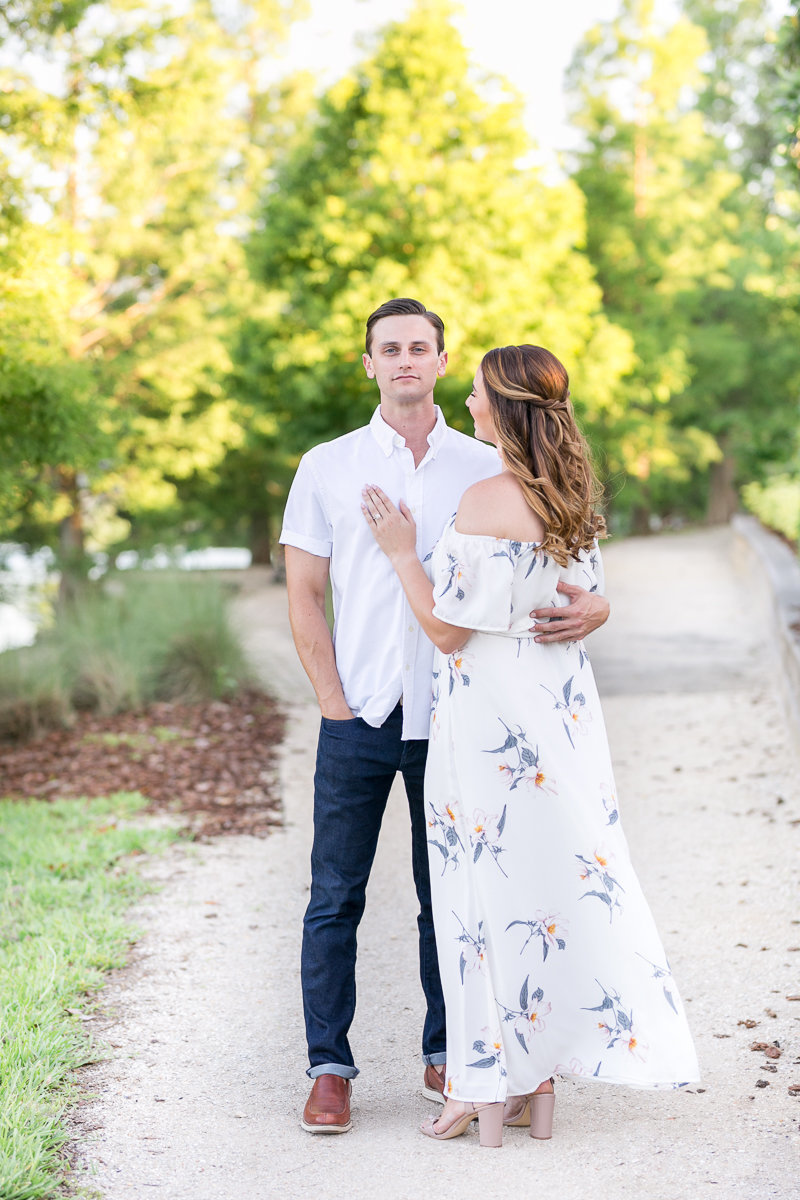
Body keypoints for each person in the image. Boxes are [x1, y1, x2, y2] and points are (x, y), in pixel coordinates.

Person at [279, 301, 610, 1134]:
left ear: (439, 360)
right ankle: (329, 1068)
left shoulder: (485, 465)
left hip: (463, 720)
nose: (403, 361)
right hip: (359, 713)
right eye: (387, 349)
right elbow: (304, 594)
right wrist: (332, 702)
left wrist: (599, 605)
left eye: (418, 348)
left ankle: (449, 1053)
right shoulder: (326, 465)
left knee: (454, 894)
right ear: (368, 364)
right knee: (334, 895)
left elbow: (563, 551)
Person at [362, 343, 699, 1148]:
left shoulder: (486, 498)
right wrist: (602, 608)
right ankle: (533, 1082)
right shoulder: (570, 492)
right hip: (559, 714)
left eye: (477, 393)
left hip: (489, 720)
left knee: (482, 901)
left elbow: (447, 630)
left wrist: (404, 553)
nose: (469, 402)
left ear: (501, 407)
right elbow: (586, 594)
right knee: (540, 890)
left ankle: (484, 1084)